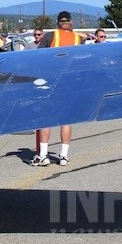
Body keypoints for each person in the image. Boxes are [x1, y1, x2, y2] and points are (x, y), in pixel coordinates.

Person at [32, 11, 85, 167]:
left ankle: (43, 155)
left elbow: (39, 59)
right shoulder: (78, 39)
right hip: (70, 83)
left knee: (45, 119)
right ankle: (63, 155)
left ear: (57, 23)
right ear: (70, 23)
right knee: (66, 121)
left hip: (51, 82)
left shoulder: (50, 36)